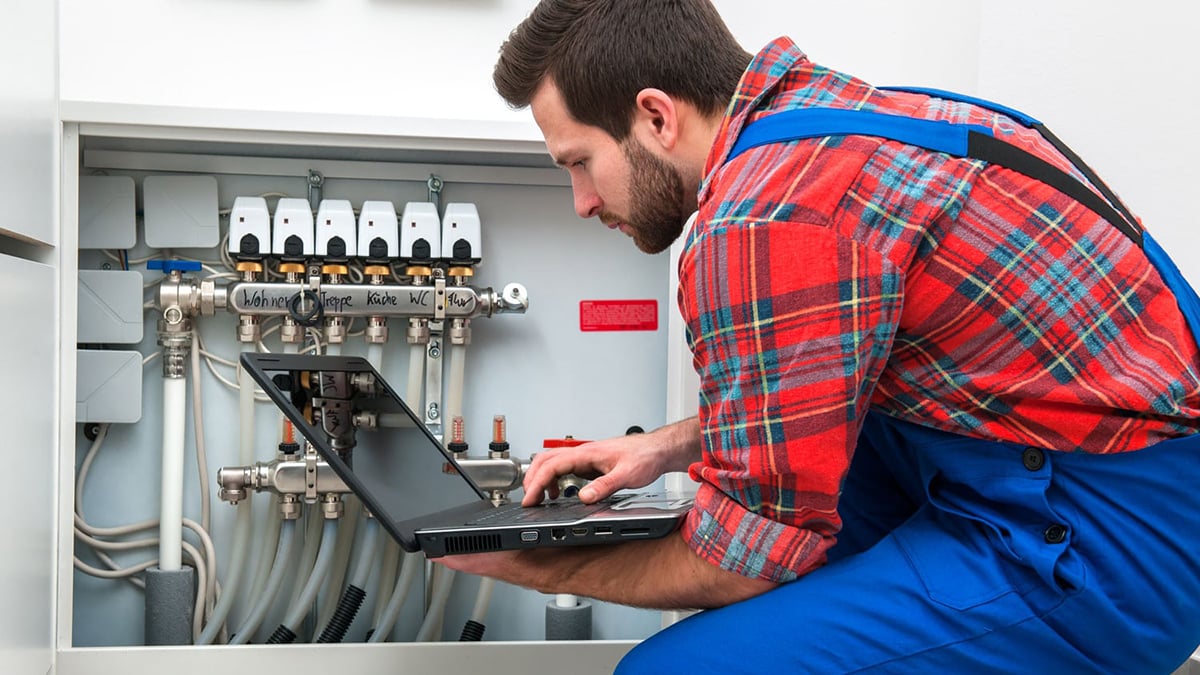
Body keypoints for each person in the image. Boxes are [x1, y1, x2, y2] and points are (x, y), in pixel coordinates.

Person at [438, 1, 1200, 672]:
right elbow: (824, 374)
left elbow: (744, 563)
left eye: (580, 163)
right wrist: (665, 447)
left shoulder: (762, 221)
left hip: (1116, 546)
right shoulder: (839, 119)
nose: (580, 201)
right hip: (1098, 470)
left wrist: (544, 566)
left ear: (656, 116)